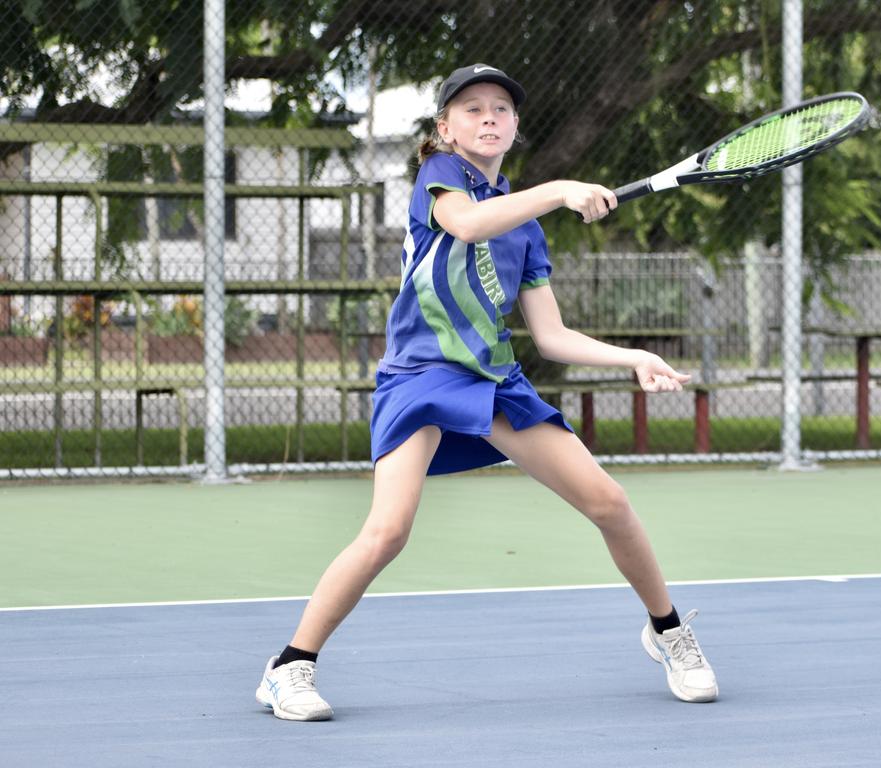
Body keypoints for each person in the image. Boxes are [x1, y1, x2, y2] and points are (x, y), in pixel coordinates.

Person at [256, 63, 718, 721]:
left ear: (515, 126)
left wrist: (632, 357)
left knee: (610, 503)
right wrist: (560, 188)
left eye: (500, 107)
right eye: (471, 108)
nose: (489, 116)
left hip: (495, 380)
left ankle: (669, 631)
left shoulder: (526, 230)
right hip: (418, 377)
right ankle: (289, 667)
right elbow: (469, 225)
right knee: (388, 530)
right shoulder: (439, 181)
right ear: (445, 129)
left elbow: (551, 336)